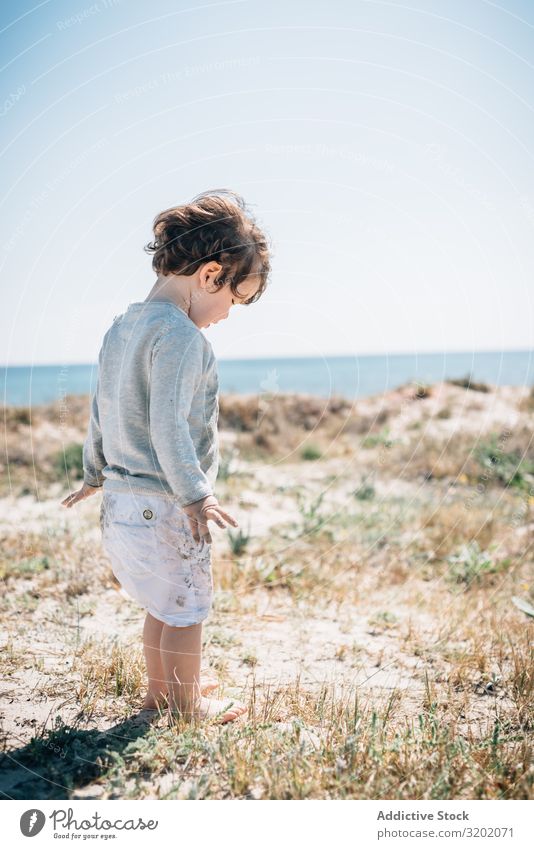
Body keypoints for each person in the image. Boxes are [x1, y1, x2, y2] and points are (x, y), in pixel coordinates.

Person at [60, 189, 271, 724]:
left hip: (123, 502)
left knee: (164, 605)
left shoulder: (121, 327)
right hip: (165, 501)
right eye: (233, 299)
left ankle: (167, 691)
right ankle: (183, 703)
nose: (227, 314)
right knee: (187, 610)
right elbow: (167, 424)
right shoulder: (181, 336)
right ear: (209, 275)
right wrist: (197, 493)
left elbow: (102, 408)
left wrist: (93, 472)